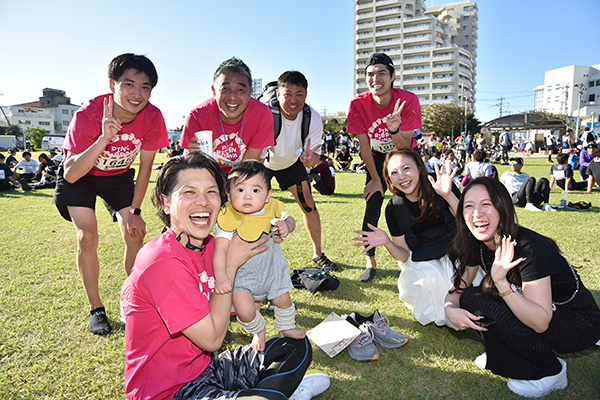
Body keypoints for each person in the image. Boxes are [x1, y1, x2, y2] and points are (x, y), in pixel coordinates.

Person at [124, 153, 328, 400]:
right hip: (171, 391)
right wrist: (230, 267)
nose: (203, 202)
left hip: (208, 368)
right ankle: (271, 393)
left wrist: (273, 235)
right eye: (189, 192)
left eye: (211, 192)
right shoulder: (161, 261)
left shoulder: (212, 245)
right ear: (166, 203)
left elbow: (254, 284)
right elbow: (212, 340)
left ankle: (266, 392)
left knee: (294, 345)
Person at [444, 177, 600, 398]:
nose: (477, 213)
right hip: (535, 308)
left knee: (494, 303)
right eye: (469, 206)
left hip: (574, 321)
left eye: (486, 204)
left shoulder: (530, 248)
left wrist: (501, 282)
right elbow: (459, 288)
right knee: (471, 298)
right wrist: (450, 308)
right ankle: (504, 355)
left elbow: (540, 322)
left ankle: (550, 371)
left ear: (503, 208)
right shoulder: (477, 242)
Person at [52, 53, 169, 335]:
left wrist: (135, 213)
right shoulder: (88, 114)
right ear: (112, 84)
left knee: (134, 233)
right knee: (87, 235)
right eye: (129, 84)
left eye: (145, 87)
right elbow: (71, 174)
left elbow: (145, 168)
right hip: (82, 175)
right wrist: (104, 138)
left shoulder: (153, 116)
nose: (137, 94)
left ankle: (135, 299)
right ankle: (96, 309)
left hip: (117, 177)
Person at [353, 147, 481, 328]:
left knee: (462, 275)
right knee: (434, 276)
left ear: (419, 168)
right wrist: (387, 242)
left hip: (453, 248)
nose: (402, 176)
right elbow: (404, 255)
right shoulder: (394, 208)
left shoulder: (441, 185)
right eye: (394, 173)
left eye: (406, 168)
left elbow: (469, 225)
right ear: (389, 179)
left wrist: (448, 195)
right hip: (421, 258)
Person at [213, 160, 306, 351]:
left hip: (272, 271)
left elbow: (291, 220)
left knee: (283, 300)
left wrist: (286, 226)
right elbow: (220, 249)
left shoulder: (272, 209)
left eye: (256, 190)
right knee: (244, 311)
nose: (248, 196)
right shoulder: (226, 217)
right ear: (228, 194)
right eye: (240, 190)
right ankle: (258, 330)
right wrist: (221, 275)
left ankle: (286, 327)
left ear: (267, 195)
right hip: (242, 278)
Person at [347, 52, 422, 282]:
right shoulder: (357, 104)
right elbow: (364, 146)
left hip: (404, 156)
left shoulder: (407, 100)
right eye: (370, 74)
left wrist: (393, 130)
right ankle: (370, 259)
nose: (375, 79)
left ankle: (420, 251)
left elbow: (404, 146)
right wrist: (376, 179)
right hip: (376, 158)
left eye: (381, 73)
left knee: (414, 203)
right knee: (373, 205)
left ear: (392, 76)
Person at [263, 71, 337, 270]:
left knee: (308, 205)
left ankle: (318, 254)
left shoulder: (312, 117)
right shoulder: (265, 112)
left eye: (299, 94)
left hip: (291, 162)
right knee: (251, 206)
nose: (293, 100)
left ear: (306, 95)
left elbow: (314, 158)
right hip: (263, 162)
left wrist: (310, 159)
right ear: (278, 93)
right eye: (288, 94)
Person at [180, 57, 274, 173]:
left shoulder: (261, 114)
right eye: (225, 88)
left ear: (250, 94)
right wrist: (193, 157)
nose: (232, 97)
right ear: (214, 91)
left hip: (241, 173)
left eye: (240, 90)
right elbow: (192, 172)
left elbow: (246, 169)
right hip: (208, 173)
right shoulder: (197, 116)